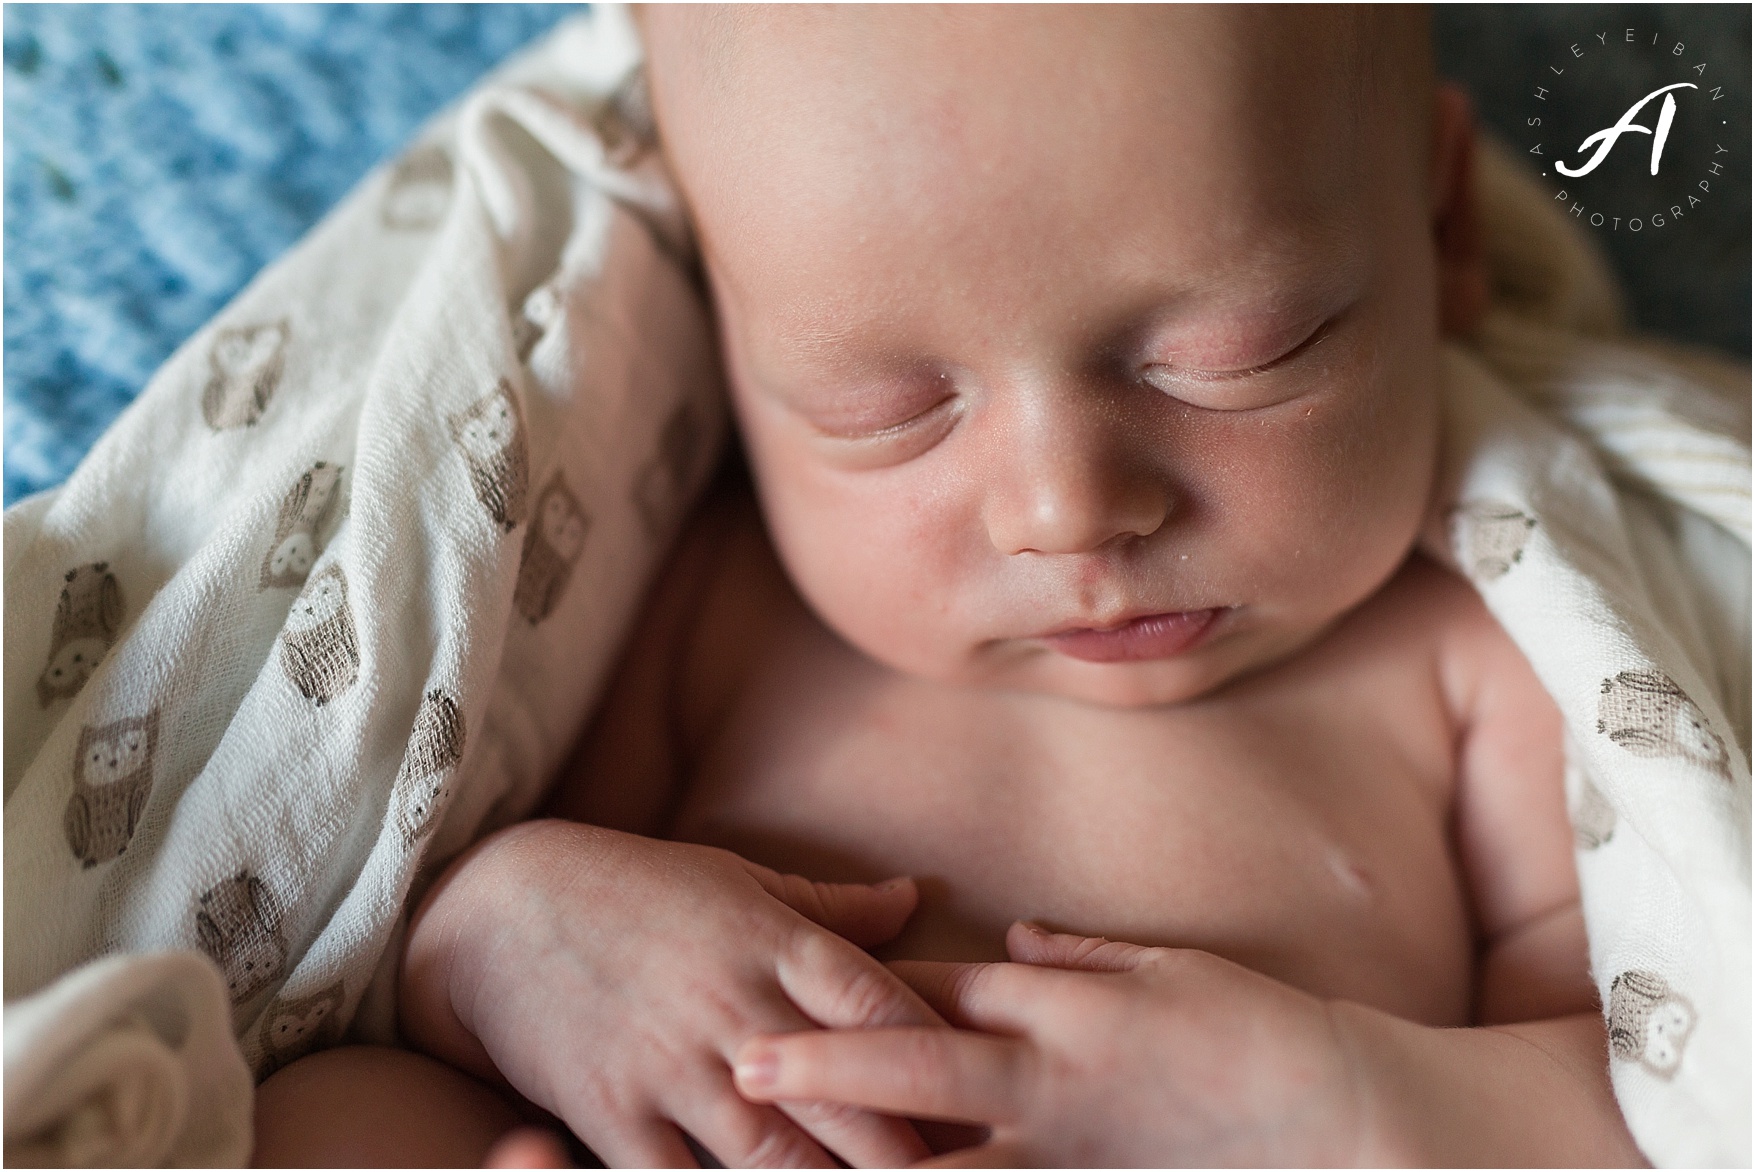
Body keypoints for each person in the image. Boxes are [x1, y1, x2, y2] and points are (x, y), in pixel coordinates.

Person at [253, 7, 1645, 1165]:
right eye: (885, 410)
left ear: (1442, 220)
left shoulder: (1482, 661)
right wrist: (514, 928)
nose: (1070, 509)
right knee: (331, 1125)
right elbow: (413, 950)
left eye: (1232, 354)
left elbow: (1666, 1086)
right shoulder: (713, 607)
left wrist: (1338, 1101)